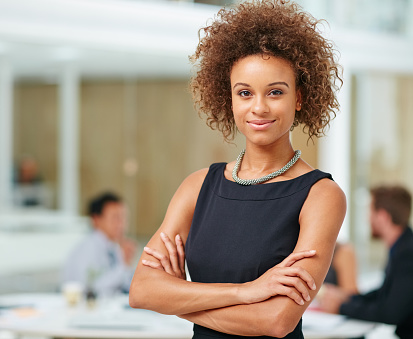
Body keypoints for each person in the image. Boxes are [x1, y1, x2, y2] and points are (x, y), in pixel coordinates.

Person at [129, 1, 346, 338]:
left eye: (275, 92)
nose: (258, 107)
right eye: (244, 93)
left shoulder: (321, 196)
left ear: (299, 98)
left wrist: (178, 298)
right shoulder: (198, 186)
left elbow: (276, 320)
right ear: (229, 99)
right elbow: (142, 291)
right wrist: (245, 293)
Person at [318, 185, 413, 339]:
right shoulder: (402, 247)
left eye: (370, 211)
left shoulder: (407, 253)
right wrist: (350, 298)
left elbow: (390, 312)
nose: (368, 219)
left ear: (382, 216)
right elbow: (385, 293)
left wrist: (341, 307)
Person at [62, 192, 136, 297]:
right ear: (96, 220)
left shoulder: (113, 247)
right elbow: (92, 288)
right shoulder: (86, 249)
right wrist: (123, 266)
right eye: (115, 218)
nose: (121, 224)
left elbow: (123, 283)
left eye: (123, 217)